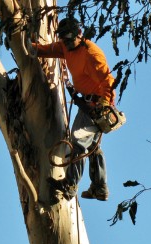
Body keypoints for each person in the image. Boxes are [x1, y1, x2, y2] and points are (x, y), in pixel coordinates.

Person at [32, 17, 116, 201]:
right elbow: (49, 50)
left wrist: (103, 105)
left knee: (78, 142)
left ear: (79, 34)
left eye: (70, 39)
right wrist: (30, 47)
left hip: (97, 107)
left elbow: (108, 82)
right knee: (92, 146)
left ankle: (70, 185)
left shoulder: (92, 54)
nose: (67, 44)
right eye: (64, 40)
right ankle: (99, 187)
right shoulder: (65, 47)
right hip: (85, 104)